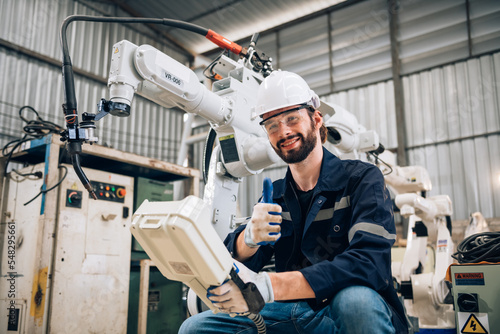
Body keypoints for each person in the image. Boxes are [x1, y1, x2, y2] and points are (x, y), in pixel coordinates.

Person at [179, 70, 408, 333]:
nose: (283, 132)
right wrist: (249, 240)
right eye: (272, 125)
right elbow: (234, 264)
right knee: (195, 328)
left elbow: (369, 262)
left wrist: (271, 285)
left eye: (292, 119)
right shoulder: (274, 195)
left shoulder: (362, 179)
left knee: (354, 301)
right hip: (290, 311)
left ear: (317, 118)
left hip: (339, 312)